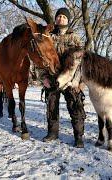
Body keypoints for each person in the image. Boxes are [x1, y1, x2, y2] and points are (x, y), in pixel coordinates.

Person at [39, 7, 86, 148]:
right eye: (59, 16)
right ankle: (53, 133)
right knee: (52, 106)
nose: (61, 19)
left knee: (75, 106)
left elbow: (82, 61)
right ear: (56, 19)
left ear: (68, 20)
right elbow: (41, 58)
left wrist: (80, 82)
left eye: (64, 17)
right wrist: (43, 78)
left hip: (70, 79)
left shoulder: (75, 37)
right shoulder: (48, 36)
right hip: (52, 78)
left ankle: (78, 137)